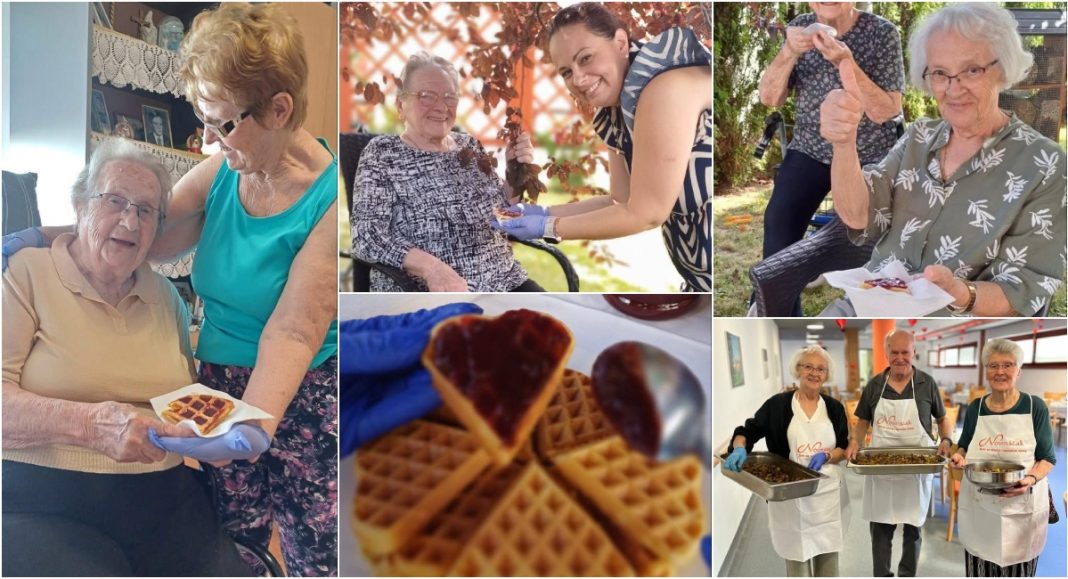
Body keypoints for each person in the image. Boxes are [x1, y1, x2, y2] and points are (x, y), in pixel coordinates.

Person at [1, 140, 251, 576]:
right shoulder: (25, 273)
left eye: (146, 210)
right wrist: (91, 426)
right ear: (80, 205)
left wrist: (213, 436)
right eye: (114, 201)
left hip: (163, 499)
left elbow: (181, 398)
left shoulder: (166, 296)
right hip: (43, 500)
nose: (130, 220)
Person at [820, 3, 1066, 317]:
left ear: (1003, 68)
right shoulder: (918, 137)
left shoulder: (1043, 164)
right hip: (871, 303)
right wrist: (843, 144)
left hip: (951, 327)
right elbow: (858, 216)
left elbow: (1025, 287)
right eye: (940, 73)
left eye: (972, 70)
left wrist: (961, 293)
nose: (953, 88)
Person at [494, 2, 711, 291]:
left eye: (585, 58)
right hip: (697, 283)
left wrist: (548, 228)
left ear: (621, 42)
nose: (579, 80)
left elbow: (647, 213)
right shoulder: (613, 113)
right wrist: (545, 213)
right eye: (566, 72)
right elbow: (621, 200)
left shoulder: (664, 88)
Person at [756, 2, 903, 315]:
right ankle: (780, 319)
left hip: (870, 153)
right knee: (779, 223)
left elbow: (888, 109)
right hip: (811, 148)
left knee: (862, 240)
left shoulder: (882, 33)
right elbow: (769, 98)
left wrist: (846, 62)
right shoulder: (801, 26)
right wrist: (788, 52)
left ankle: (865, 312)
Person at [351, 51, 541, 292]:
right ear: (401, 105)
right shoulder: (382, 153)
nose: (441, 106)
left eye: (450, 97)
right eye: (426, 96)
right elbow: (367, 237)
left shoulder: (469, 147)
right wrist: (432, 268)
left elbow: (502, 211)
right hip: (430, 291)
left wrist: (515, 172)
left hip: (504, 280)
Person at [723, 346, 850, 577]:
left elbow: (844, 447)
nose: (814, 373)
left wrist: (828, 455)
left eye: (820, 369)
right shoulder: (777, 406)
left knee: (828, 559)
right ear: (797, 370)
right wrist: (739, 448)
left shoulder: (834, 408)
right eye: (808, 366)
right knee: (796, 560)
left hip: (826, 496)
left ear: (826, 374)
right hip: (789, 497)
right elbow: (748, 431)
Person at [845, 330, 955, 577]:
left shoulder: (927, 383)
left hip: (917, 468)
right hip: (881, 468)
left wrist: (947, 439)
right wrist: (855, 441)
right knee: (880, 530)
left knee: (913, 530)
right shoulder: (874, 385)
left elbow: (943, 418)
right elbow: (862, 420)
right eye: (894, 352)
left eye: (905, 352)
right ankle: (882, 574)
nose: (900, 358)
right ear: (886, 353)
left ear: (914, 352)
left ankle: (907, 574)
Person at [950, 339, 1054, 577]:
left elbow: (1047, 458)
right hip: (981, 506)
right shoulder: (976, 408)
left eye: (1008, 365)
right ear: (986, 370)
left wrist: (1029, 479)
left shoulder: (1034, 406)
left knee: (1018, 569)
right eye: (993, 365)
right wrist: (958, 456)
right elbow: (964, 446)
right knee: (980, 567)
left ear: (1019, 370)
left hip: (1022, 505)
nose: (1000, 372)